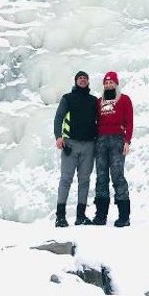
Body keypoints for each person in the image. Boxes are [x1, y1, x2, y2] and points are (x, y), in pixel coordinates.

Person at [53, 70, 98, 227]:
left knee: (84, 180)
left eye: (85, 78)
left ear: (88, 81)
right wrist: (58, 136)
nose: (82, 80)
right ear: (76, 81)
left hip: (89, 145)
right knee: (66, 179)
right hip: (70, 144)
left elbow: (99, 121)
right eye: (80, 78)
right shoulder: (67, 98)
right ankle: (60, 217)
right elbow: (58, 118)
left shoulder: (94, 101)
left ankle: (81, 216)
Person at [93, 71, 134, 227]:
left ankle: (124, 216)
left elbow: (129, 122)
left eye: (111, 82)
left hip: (117, 140)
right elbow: (95, 122)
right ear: (104, 85)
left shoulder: (124, 99)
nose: (109, 85)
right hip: (101, 141)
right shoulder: (99, 102)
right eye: (106, 83)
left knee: (117, 175)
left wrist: (127, 141)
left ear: (116, 84)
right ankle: (101, 215)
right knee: (101, 177)